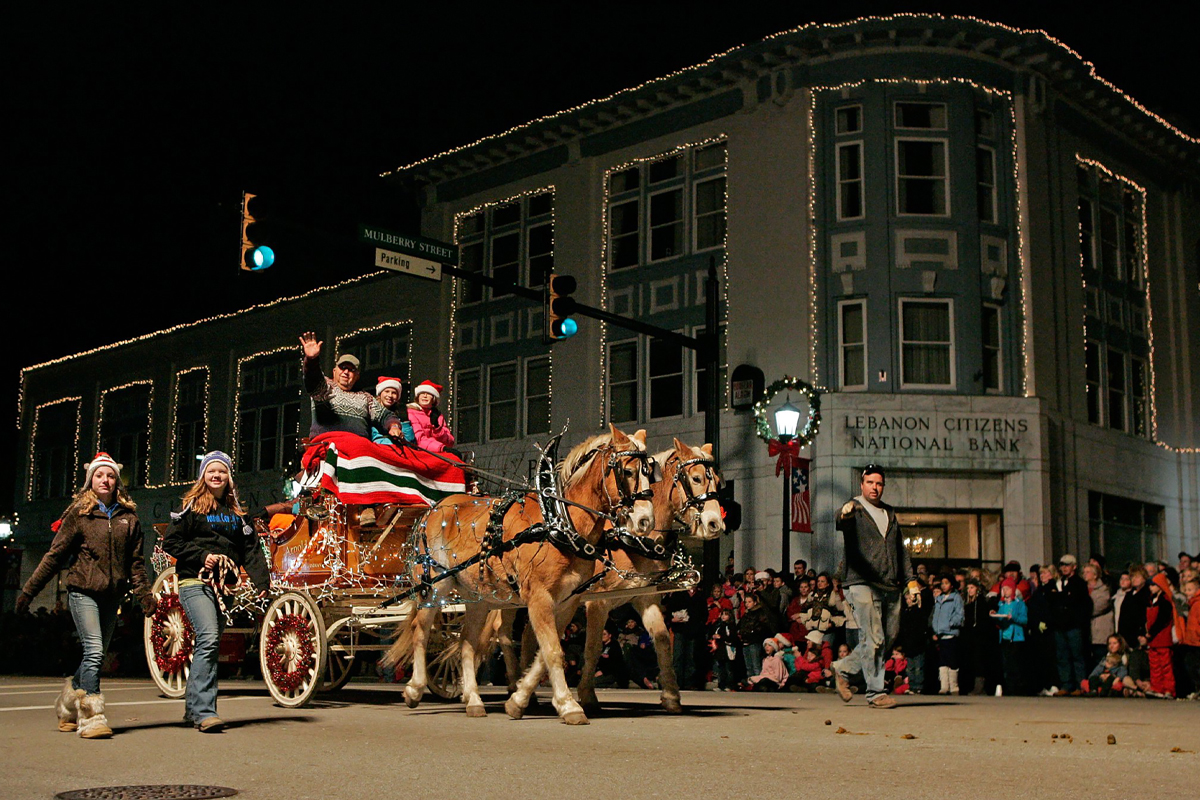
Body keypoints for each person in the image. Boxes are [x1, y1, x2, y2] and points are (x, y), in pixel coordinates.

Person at [15, 453, 154, 739]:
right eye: (100, 475)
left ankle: (66, 705)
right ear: (91, 480)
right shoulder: (79, 514)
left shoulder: (129, 518)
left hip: (112, 594)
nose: (105, 480)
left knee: (98, 653)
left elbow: (135, 564)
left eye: (111, 476)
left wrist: (145, 596)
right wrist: (28, 591)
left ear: (117, 481)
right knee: (93, 651)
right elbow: (54, 557)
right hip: (82, 591)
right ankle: (92, 717)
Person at [163, 451, 270, 732]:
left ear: (229, 477)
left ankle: (192, 710)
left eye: (222, 471)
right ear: (203, 476)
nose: (216, 475)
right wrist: (202, 556)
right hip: (194, 582)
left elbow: (251, 550)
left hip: (224, 585)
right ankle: (205, 711)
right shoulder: (191, 509)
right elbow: (170, 543)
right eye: (211, 471)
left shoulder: (239, 516)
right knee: (209, 637)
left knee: (208, 643)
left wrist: (262, 583)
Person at [831, 464, 915, 710]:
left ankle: (844, 669)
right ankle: (876, 693)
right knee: (874, 637)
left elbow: (901, 549)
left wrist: (911, 581)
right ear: (862, 484)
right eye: (870, 483)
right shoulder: (853, 508)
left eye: (879, 483)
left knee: (886, 638)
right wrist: (844, 513)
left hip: (890, 583)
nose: (875, 488)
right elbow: (840, 519)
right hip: (861, 581)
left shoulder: (889, 512)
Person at [300, 333, 403, 442]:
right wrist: (312, 360)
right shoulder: (324, 387)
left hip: (358, 449)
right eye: (342, 368)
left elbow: (385, 415)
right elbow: (312, 377)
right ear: (334, 371)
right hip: (327, 446)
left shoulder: (365, 398)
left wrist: (394, 426)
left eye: (351, 370)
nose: (346, 372)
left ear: (357, 376)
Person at [1047, 554, 1092, 695]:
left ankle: (1080, 686)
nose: (1064, 568)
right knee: (1062, 657)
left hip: (1074, 626)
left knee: (1077, 656)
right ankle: (1066, 685)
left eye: (1067, 565)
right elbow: (1052, 601)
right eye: (1062, 565)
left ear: (1074, 566)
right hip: (1059, 626)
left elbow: (1081, 604)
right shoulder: (1058, 582)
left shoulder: (1079, 584)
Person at [1142, 572, 1177, 698]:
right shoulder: (1152, 599)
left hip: (1162, 637)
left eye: (1153, 585)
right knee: (1155, 665)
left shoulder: (1165, 600)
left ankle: (1169, 690)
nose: (1151, 587)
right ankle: (1157, 688)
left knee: (1166, 666)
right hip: (1154, 639)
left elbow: (1162, 620)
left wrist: (1150, 632)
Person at [991, 579, 1028, 695]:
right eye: (1003, 589)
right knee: (1006, 664)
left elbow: (1024, 620)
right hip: (1005, 638)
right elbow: (1000, 619)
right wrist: (995, 615)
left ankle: (1018, 689)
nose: (1004, 591)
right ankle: (1009, 688)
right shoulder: (1001, 605)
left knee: (1016, 664)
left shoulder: (1019, 604)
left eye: (1007, 588)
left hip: (1016, 638)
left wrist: (1013, 618)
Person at [931, 574, 964, 694]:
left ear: (951, 584)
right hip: (941, 635)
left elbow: (959, 615)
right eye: (942, 583)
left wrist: (950, 624)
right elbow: (935, 615)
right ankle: (944, 686)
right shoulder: (939, 599)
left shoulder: (956, 598)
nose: (944, 586)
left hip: (950, 634)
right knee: (942, 661)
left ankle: (954, 687)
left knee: (952, 660)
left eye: (946, 583)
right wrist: (936, 628)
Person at [407, 380, 456, 453]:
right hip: (417, 452)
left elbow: (450, 442)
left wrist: (437, 428)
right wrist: (441, 448)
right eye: (422, 393)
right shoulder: (411, 412)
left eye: (429, 394)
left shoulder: (438, 415)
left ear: (433, 399)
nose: (425, 396)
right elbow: (418, 439)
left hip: (435, 451)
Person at [1083, 563, 1114, 666]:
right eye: (1084, 572)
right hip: (1087, 632)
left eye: (1088, 572)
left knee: (1100, 658)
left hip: (1100, 631)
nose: (1085, 574)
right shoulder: (1082, 589)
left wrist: (1081, 612)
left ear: (1095, 575)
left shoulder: (1103, 590)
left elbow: (1098, 607)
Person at [371, 376, 415, 446]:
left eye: (394, 393)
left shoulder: (401, 412)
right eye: (387, 391)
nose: (390, 395)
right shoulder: (372, 410)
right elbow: (374, 436)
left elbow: (410, 438)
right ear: (380, 393)